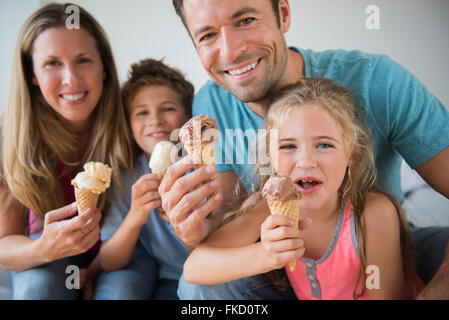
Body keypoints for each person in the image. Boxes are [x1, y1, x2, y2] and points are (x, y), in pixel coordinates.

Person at [160, 0, 449, 299]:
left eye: (245, 20)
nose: (230, 51)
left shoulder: (379, 81)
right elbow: (206, 256)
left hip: (390, 250)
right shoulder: (214, 110)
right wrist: (194, 234)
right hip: (284, 277)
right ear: (269, 155)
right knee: (197, 290)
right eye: (207, 35)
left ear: (283, 14)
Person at [182, 78, 425, 299]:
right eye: (288, 146)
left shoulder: (372, 213)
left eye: (323, 145)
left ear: (352, 152)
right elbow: (194, 268)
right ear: (270, 155)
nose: (306, 161)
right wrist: (266, 256)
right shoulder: (267, 209)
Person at [0, 2, 148, 299]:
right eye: (52, 63)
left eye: (83, 60)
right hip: (50, 252)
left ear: (104, 68)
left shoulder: (135, 120)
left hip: (123, 249)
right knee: (37, 289)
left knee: (123, 293)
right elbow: (5, 244)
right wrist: (42, 247)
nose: (71, 79)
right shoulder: (12, 140)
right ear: (32, 74)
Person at [99, 58, 192, 299]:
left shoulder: (203, 166)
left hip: (213, 275)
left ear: (187, 115)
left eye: (168, 108)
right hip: (170, 280)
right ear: (129, 125)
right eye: (142, 112)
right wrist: (135, 215)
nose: (155, 120)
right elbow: (109, 262)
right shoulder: (125, 177)